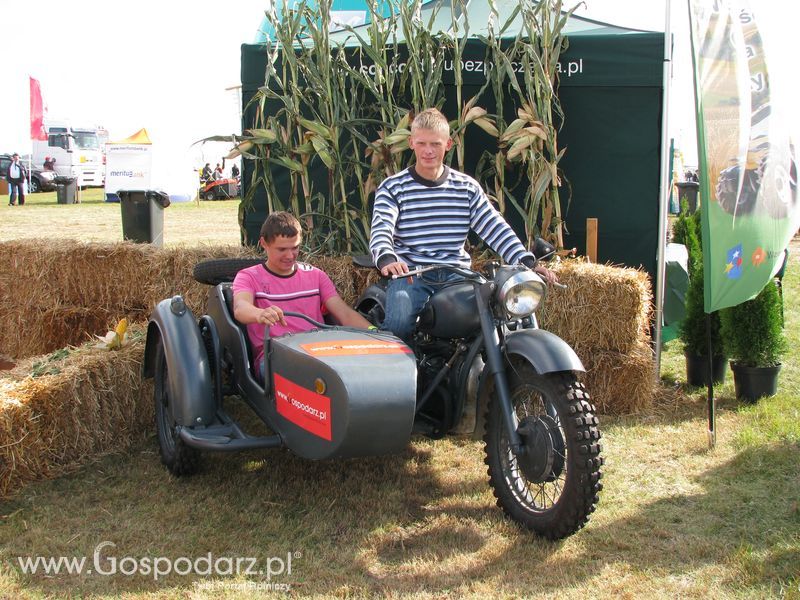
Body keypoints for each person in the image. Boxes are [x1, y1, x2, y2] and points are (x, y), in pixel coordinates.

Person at [369, 108, 557, 341]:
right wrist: (387, 257)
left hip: (457, 274)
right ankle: (400, 374)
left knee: (499, 311)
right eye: (422, 143)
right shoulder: (393, 187)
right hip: (413, 274)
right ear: (411, 143)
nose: (428, 151)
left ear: (448, 144)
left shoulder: (466, 187)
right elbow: (381, 227)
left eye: (436, 144)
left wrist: (525, 261)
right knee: (399, 320)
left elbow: (494, 226)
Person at [233, 211, 374, 381]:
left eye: (295, 248)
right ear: (264, 243)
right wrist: (259, 314)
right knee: (312, 378)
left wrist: (375, 332)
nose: (290, 255)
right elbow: (241, 308)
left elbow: (344, 313)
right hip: (275, 357)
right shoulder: (248, 276)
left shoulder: (316, 276)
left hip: (320, 352)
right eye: (282, 249)